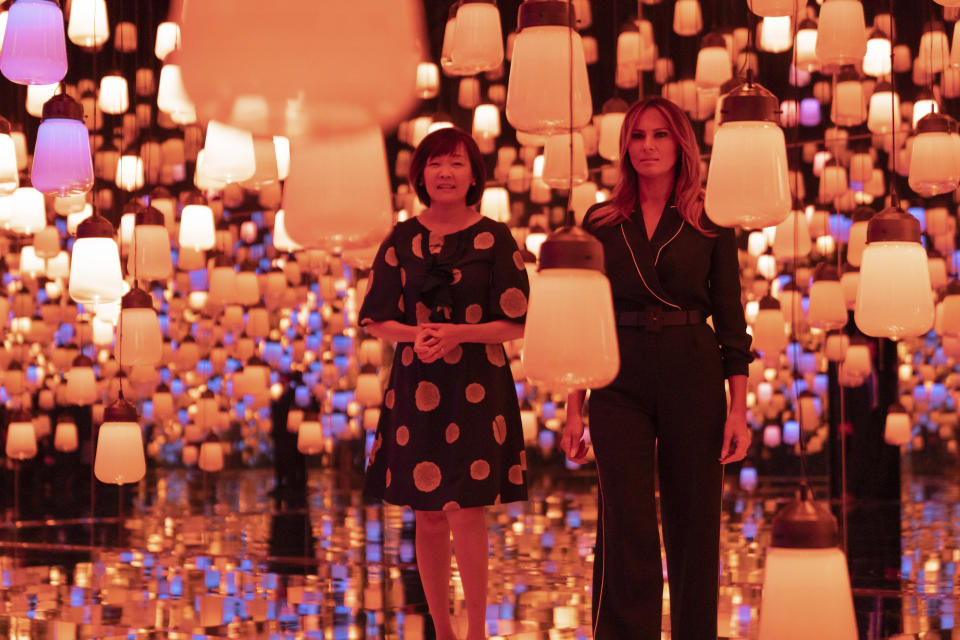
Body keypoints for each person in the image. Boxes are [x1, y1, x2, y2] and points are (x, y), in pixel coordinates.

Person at [560, 97, 753, 640]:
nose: (647, 146)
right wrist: (574, 408)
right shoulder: (599, 221)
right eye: (638, 136)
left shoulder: (711, 220)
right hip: (616, 375)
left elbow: (734, 323)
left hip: (692, 367)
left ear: (680, 144)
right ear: (624, 146)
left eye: (660, 135)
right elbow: (581, 317)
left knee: (694, 521)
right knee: (627, 520)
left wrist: (739, 410)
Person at [358, 126, 530, 640]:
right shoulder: (401, 239)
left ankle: (477, 630)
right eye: (435, 164)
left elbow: (518, 321)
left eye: (457, 163)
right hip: (417, 385)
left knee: (466, 508)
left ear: (474, 174)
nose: (446, 173)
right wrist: (419, 336)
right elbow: (375, 318)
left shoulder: (495, 237)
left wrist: (459, 334)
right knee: (427, 514)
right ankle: (443, 630)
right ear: (420, 175)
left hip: (478, 383)